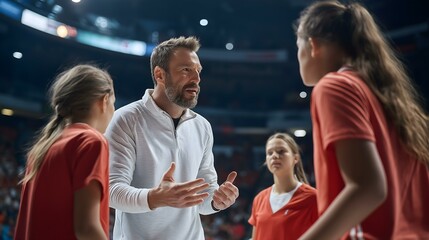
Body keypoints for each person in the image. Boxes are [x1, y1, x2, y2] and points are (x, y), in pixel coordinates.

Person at [295, 1, 429, 239]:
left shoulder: (334, 86)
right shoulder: (399, 105)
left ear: (313, 45)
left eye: (297, 47)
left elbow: (368, 187)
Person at [106, 36, 239, 240]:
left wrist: (217, 200)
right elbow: (112, 191)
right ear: (160, 74)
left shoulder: (202, 126)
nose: (196, 78)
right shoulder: (126, 119)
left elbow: (204, 197)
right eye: (186, 70)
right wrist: (155, 198)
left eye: (198, 71)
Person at [15, 64, 116, 240]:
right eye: (113, 104)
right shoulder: (91, 141)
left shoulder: (43, 146)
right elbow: (87, 228)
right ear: (104, 100)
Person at [249, 133, 318, 240]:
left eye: (281, 151)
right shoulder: (259, 199)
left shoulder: (312, 197)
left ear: (296, 158)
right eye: (270, 153)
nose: (275, 156)